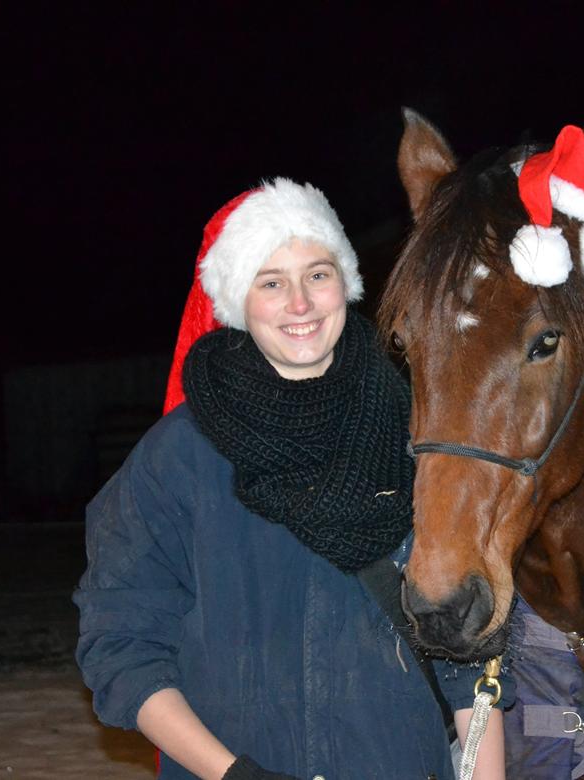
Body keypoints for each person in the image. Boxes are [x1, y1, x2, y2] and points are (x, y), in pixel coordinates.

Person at [74, 178, 508, 780]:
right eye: (271, 282)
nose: (300, 303)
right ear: (236, 300)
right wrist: (233, 774)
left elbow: (471, 646)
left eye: (317, 274)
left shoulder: (422, 438)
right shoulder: (176, 456)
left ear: (347, 283)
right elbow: (122, 644)